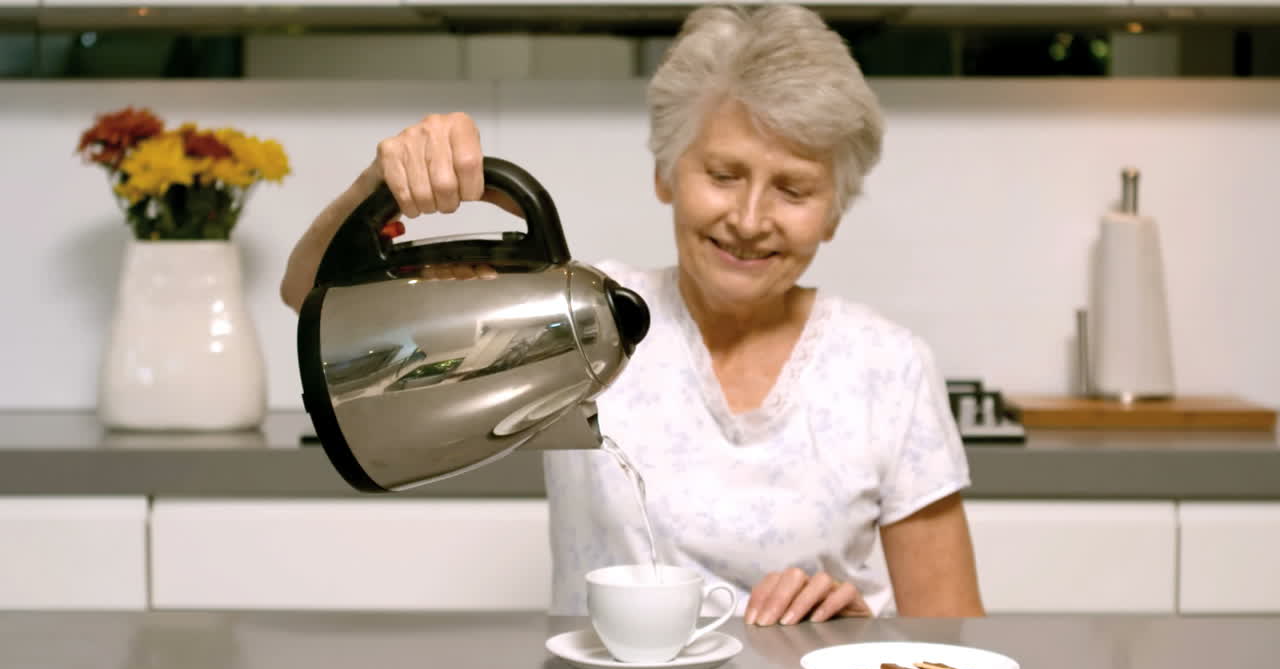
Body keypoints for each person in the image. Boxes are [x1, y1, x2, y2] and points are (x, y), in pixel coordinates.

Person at [281, 3, 985, 624]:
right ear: (664, 174)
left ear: (834, 212)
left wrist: (861, 632)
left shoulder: (888, 365)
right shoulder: (572, 321)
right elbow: (315, 301)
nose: (749, 220)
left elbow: (954, 639)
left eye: (793, 190)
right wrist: (377, 188)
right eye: (723, 175)